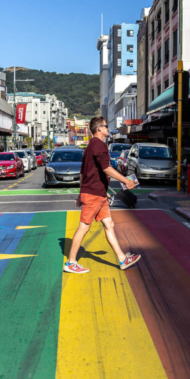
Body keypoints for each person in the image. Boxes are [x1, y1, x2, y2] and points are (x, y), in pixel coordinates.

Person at [64, 116, 141, 274]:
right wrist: (126, 180)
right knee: (84, 227)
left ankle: (122, 258)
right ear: (99, 129)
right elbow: (106, 168)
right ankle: (71, 263)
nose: (108, 129)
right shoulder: (98, 145)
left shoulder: (91, 146)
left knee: (109, 225)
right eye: (106, 126)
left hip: (98, 193)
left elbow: (83, 172)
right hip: (94, 194)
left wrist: (81, 193)